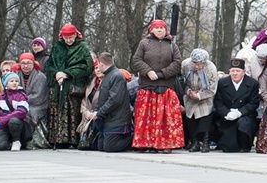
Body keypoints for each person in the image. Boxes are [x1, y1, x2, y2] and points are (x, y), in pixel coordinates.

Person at [131, 19, 184, 154]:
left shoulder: (172, 45)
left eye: (162, 28)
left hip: (166, 86)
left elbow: (177, 63)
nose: (160, 30)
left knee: (167, 118)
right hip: (147, 86)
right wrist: (148, 71)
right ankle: (146, 143)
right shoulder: (144, 43)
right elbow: (136, 60)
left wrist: (162, 74)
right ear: (151, 30)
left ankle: (166, 144)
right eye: (157, 27)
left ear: (165, 30)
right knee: (146, 116)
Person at [46, 24, 94, 148]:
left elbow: (87, 66)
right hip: (57, 84)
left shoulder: (82, 47)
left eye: (71, 37)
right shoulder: (57, 46)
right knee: (57, 111)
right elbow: (50, 64)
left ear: (75, 35)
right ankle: (56, 139)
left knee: (71, 111)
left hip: (73, 86)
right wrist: (56, 74)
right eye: (66, 38)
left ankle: (72, 140)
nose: (68, 40)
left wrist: (68, 74)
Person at [212, 58, 260, 152]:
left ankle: (245, 145)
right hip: (227, 116)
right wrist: (226, 113)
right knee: (229, 148)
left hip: (245, 115)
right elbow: (218, 101)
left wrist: (240, 112)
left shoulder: (252, 83)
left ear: (244, 72)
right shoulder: (222, 83)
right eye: (232, 71)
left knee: (244, 124)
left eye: (238, 71)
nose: (235, 73)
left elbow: (254, 103)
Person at [88, 53, 133, 153]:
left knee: (110, 147)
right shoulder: (107, 76)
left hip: (117, 120)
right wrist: (95, 110)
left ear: (102, 63)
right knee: (101, 146)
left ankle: (134, 138)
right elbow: (102, 99)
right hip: (108, 119)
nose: (98, 68)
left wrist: (99, 113)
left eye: (98, 64)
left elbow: (115, 100)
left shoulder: (116, 76)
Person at [181, 48, 218, 153]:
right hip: (190, 94)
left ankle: (205, 141)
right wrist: (189, 92)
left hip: (205, 96)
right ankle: (195, 142)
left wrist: (199, 95)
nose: (196, 66)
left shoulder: (211, 69)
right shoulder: (186, 65)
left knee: (204, 117)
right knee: (191, 117)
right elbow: (182, 82)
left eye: (199, 64)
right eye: (194, 63)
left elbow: (212, 89)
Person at [0, 72, 31, 151]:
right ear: (6, 83)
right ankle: (8, 141)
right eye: (12, 81)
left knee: (13, 121)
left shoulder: (22, 95)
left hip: (17, 123)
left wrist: (2, 120)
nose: (14, 83)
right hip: (3, 124)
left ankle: (16, 140)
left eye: (16, 81)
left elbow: (21, 112)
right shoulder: (1, 96)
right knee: (0, 147)